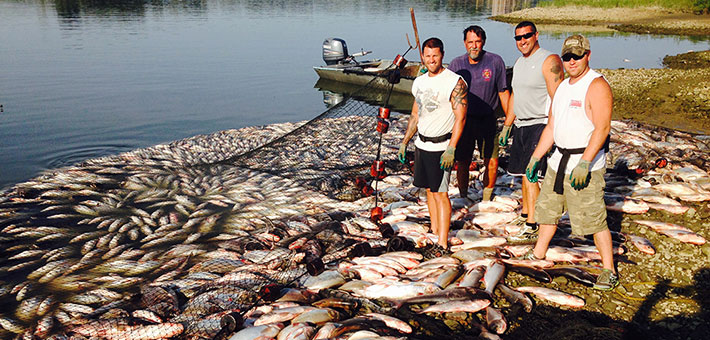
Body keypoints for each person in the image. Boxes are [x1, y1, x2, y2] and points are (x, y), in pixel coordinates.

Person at [523, 34, 618, 290]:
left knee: (593, 218)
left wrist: (586, 162)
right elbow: (552, 126)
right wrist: (536, 157)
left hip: (584, 164)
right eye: (567, 57)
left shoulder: (596, 85)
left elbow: (602, 127)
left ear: (588, 55)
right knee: (547, 211)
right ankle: (538, 254)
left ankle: (608, 269)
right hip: (557, 161)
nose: (572, 61)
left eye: (577, 55)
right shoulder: (563, 87)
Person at [397, 37, 467, 249]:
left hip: (442, 147)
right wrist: (405, 141)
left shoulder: (455, 81)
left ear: (442, 55)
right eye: (427, 56)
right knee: (429, 189)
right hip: (422, 145)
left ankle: (443, 243)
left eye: (435, 55)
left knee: (441, 193)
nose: (431, 60)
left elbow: (461, 117)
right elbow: (415, 113)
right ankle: (435, 229)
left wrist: (452, 148)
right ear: (422, 57)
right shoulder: (419, 82)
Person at [503, 21, 564, 243]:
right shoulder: (519, 63)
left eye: (526, 36)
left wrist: (554, 128)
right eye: (518, 37)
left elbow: (558, 96)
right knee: (522, 174)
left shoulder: (549, 60)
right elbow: (515, 95)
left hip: (540, 124)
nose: (522, 41)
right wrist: (508, 124)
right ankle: (526, 214)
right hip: (521, 125)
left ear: (536, 35)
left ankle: (535, 225)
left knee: (532, 175)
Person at [449, 25, 510, 202]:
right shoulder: (456, 64)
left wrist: (509, 121)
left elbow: (503, 92)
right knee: (463, 161)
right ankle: (462, 196)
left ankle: (486, 197)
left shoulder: (495, 61)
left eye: (477, 42)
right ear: (464, 43)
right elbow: (448, 94)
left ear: (483, 42)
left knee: (491, 160)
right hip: (465, 121)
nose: (474, 46)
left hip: (487, 119)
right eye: (470, 42)